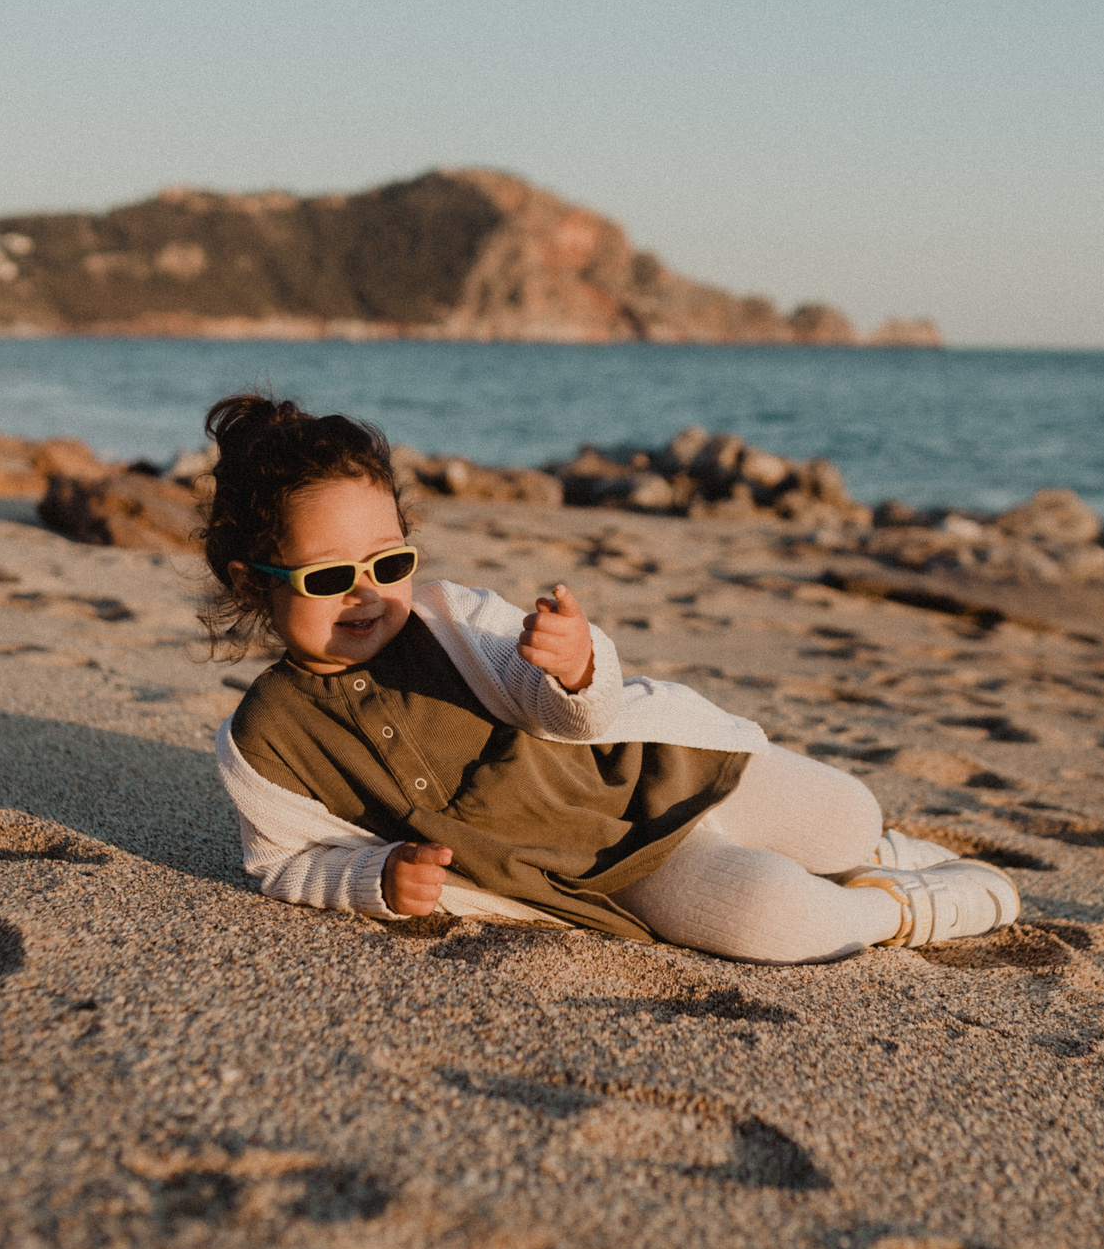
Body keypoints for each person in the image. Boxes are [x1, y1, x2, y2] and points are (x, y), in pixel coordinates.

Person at [206, 393, 1020, 963]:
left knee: (849, 811)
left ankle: (873, 851)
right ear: (252, 582)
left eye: (388, 562)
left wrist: (575, 665)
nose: (365, 592)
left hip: (643, 777)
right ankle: (906, 906)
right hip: (605, 869)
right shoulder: (267, 737)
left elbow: (574, 717)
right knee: (771, 916)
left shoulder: (450, 620)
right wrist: (373, 879)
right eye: (326, 576)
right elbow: (280, 861)